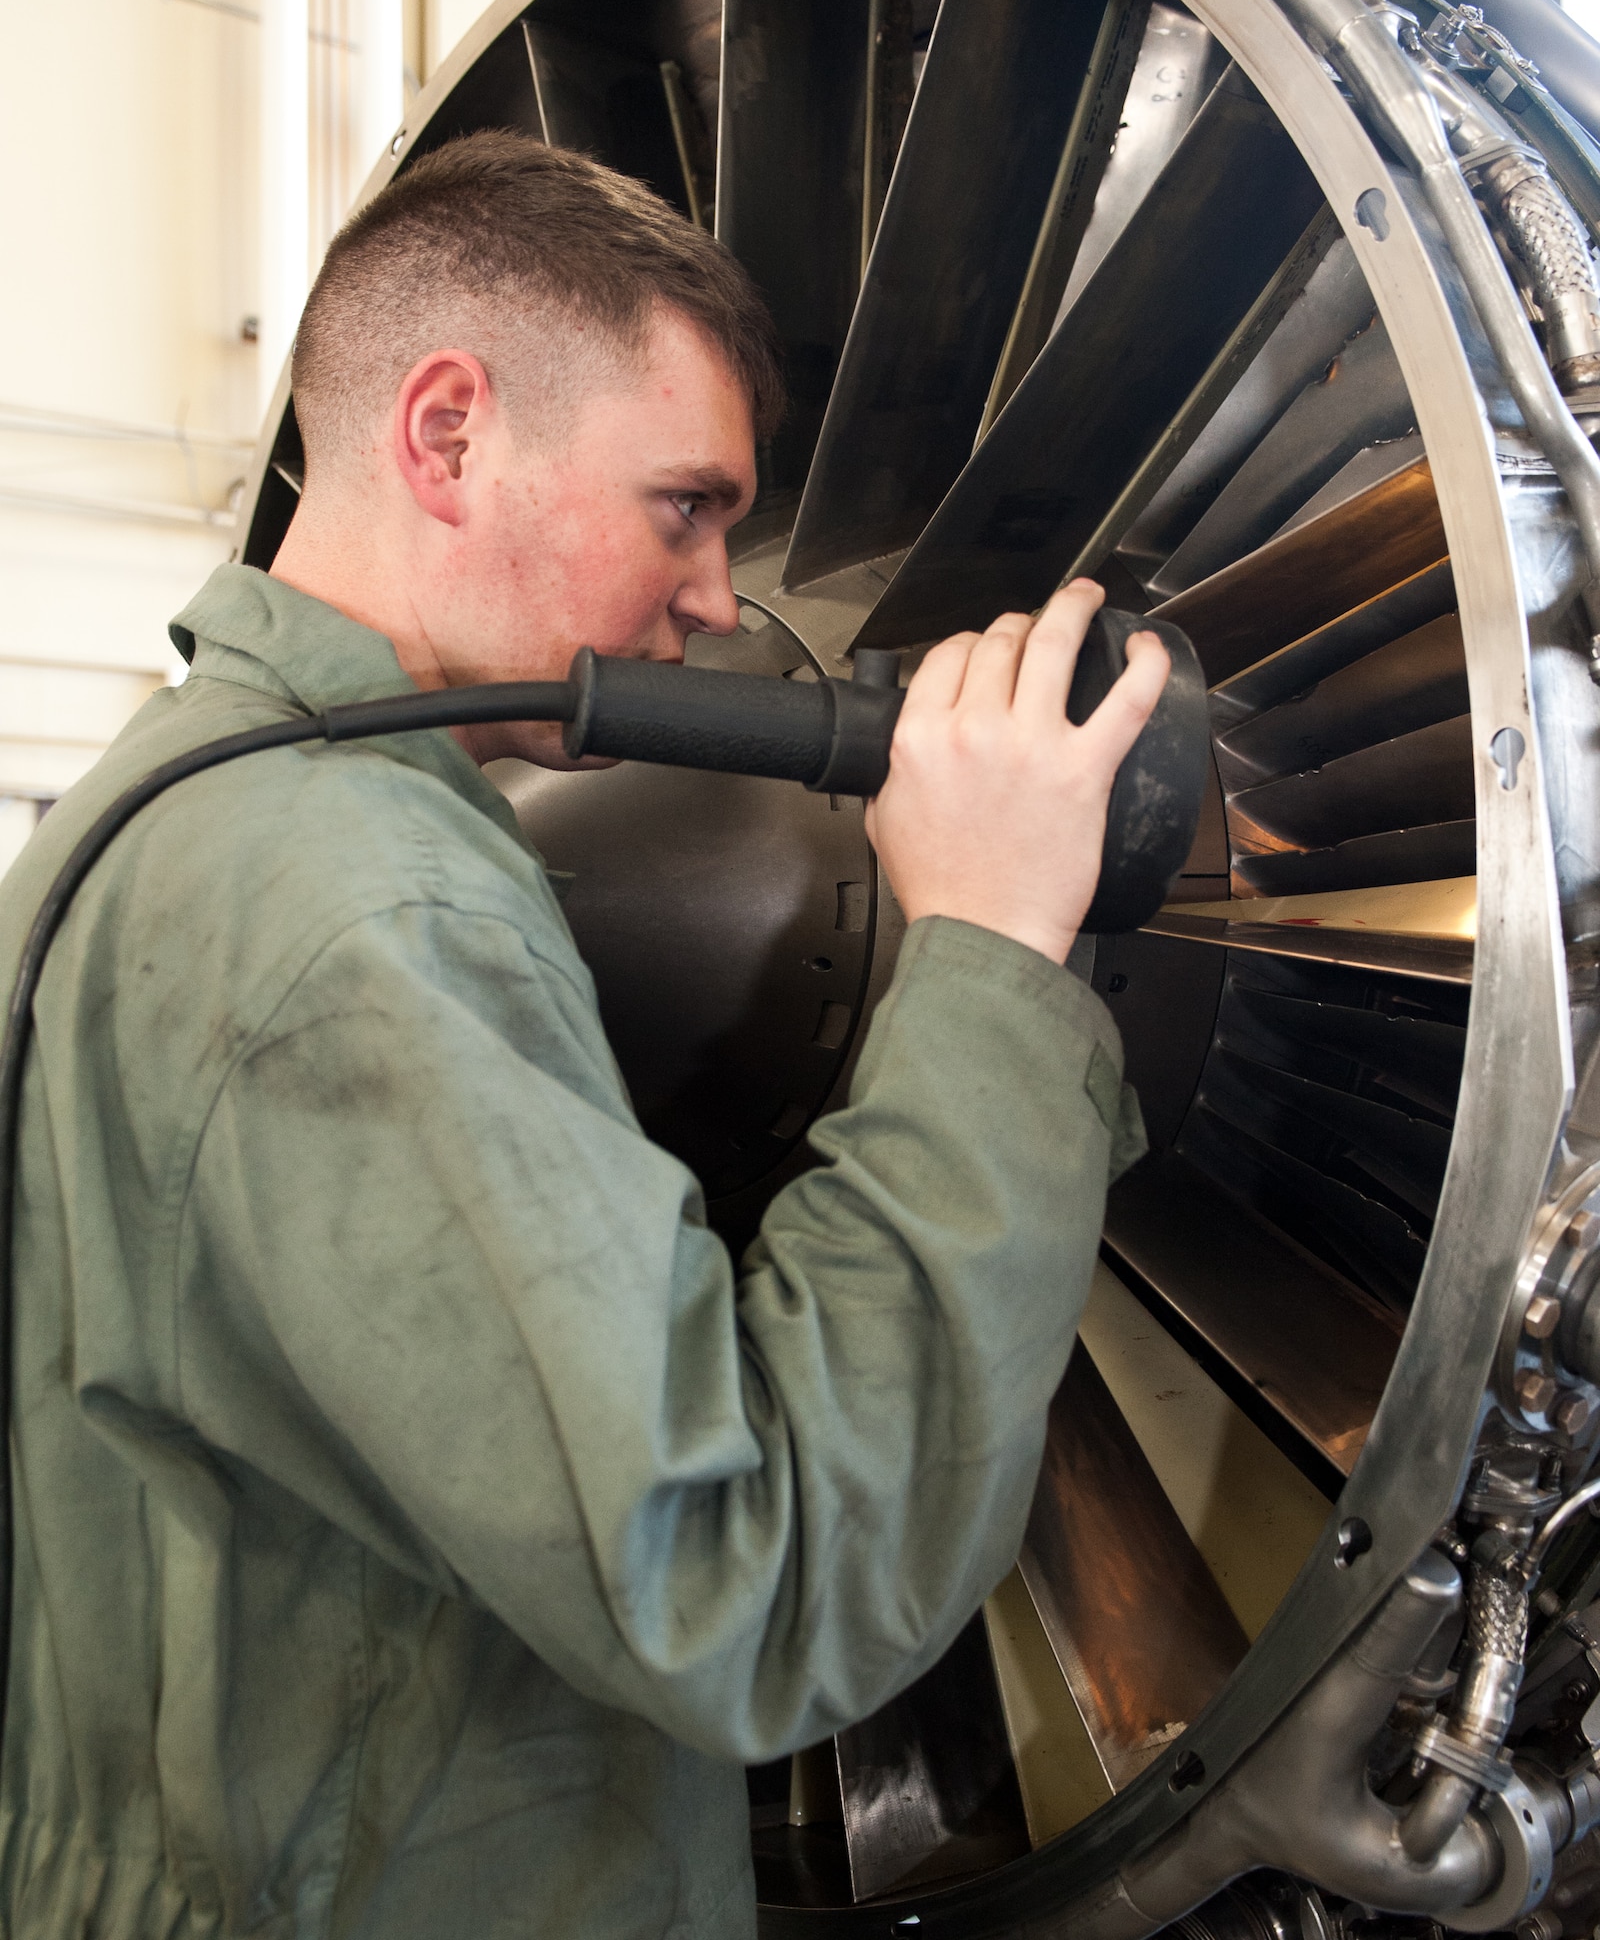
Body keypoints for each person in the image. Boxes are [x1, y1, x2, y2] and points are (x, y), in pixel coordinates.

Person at [0, 131, 1166, 1938]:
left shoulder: (156, 811)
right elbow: (749, 1579)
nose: (715, 594)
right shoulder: (361, 915)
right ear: (446, 431)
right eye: (686, 505)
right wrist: (996, 949)